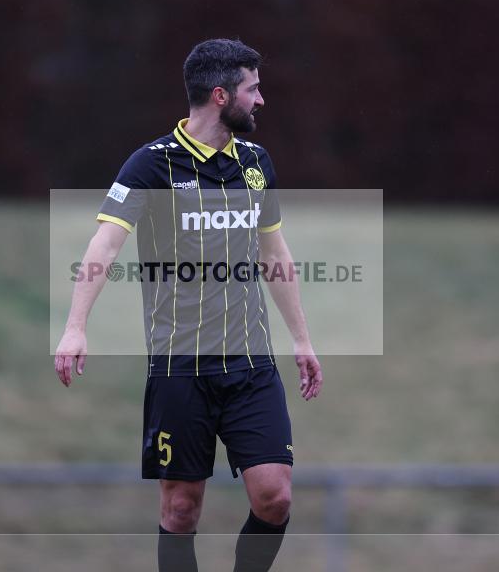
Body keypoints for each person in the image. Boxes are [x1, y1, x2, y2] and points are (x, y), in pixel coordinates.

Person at [55, 38, 322, 572]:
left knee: (276, 497)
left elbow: (275, 253)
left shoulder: (256, 164)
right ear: (221, 96)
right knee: (181, 510)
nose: (261, 100)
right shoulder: (150, 166)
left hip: (250, 365)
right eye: (253, 89)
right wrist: (74, 326)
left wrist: (301, 338)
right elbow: (103, 247)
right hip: (181, 369)